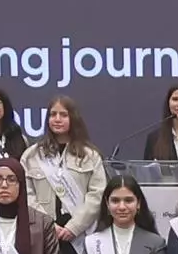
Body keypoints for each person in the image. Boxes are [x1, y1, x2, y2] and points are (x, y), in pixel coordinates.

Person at [22, 96, 113, 233]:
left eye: (64, 115)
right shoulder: (32, 155)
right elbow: (27, 195)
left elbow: (97, 195)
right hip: (43, 232)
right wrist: (47, 225)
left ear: (73, 118)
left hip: (79, 234)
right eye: (53, 114)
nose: (57, 119)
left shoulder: (90, 156)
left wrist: (74, 227)